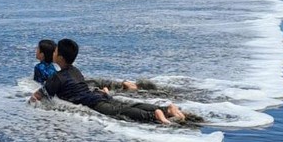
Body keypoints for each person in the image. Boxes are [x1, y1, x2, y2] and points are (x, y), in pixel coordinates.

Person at [28, 38, 185, 125]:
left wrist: (25, 109)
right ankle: (165, 109)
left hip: (94, 102)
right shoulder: (75, 71)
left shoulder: (57, 77)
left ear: (60, 58)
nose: (53, 52)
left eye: (55, 51)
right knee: (126, 105)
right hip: (98, 95)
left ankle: (153, 115)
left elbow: (37, 96)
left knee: (119, 112)